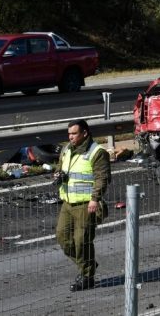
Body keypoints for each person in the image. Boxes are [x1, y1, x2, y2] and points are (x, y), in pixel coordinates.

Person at [55, 119, 111, 291]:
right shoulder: (66, 149)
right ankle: (88, 264)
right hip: (68, 202)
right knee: (63, 238)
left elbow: (102, 177)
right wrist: (57, 175)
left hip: (86, 205)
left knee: (82, 241)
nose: (71, 137)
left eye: (74, 133)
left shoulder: (97, 152)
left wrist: (95, 198)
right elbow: (60, 168)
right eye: (69, 134)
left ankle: (87, 277)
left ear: (84, 133)